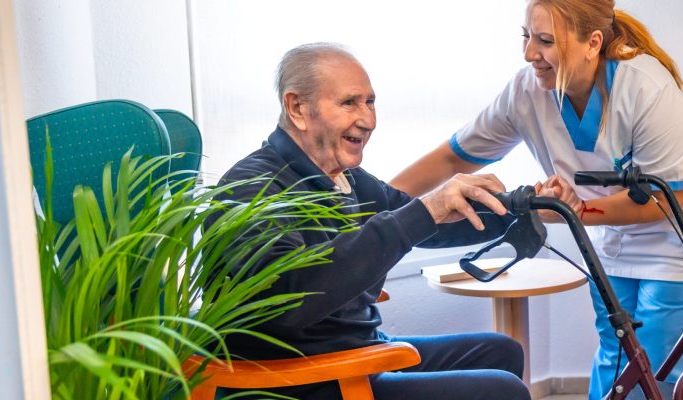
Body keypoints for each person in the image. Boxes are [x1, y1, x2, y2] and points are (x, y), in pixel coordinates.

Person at [389, 1, 683, 398]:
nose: (529, 54)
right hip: (610, 226)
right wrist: (375, 204)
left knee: (661, 364)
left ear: (592, 42)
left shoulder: (644, 86)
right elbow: (455, 156)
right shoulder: (527, 92)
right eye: (526, 37)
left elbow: (666, 198)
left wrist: (574, 212)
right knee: (616, 346)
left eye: (544, 41)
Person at [214, 42, 530, 400]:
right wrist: (425, 210)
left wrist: (521, 207)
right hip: (304, 379)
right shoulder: (251, 189)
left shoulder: (347, 179)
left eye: (370, 102)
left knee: (502, 352)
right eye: (349, 102)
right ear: (297, 107)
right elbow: (289, 300)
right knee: (501, 391)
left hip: (356, 355)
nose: (368, 120)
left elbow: (428, 223)